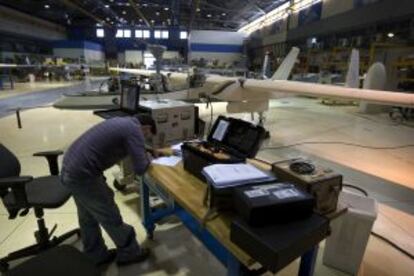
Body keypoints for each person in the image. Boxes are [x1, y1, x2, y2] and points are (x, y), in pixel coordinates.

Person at [60, 114, 157, 266]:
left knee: (88, 217)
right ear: (146, 128)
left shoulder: (122, 122)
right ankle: (129, 253)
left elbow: (124, 144)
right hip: (84, 175)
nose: (144, 138)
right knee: (109, 214)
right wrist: (151, 160)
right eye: (147, 136)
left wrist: (142, 149)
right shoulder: (134, 130)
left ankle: (95, 255)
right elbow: (140, 168)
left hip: (70, 169)